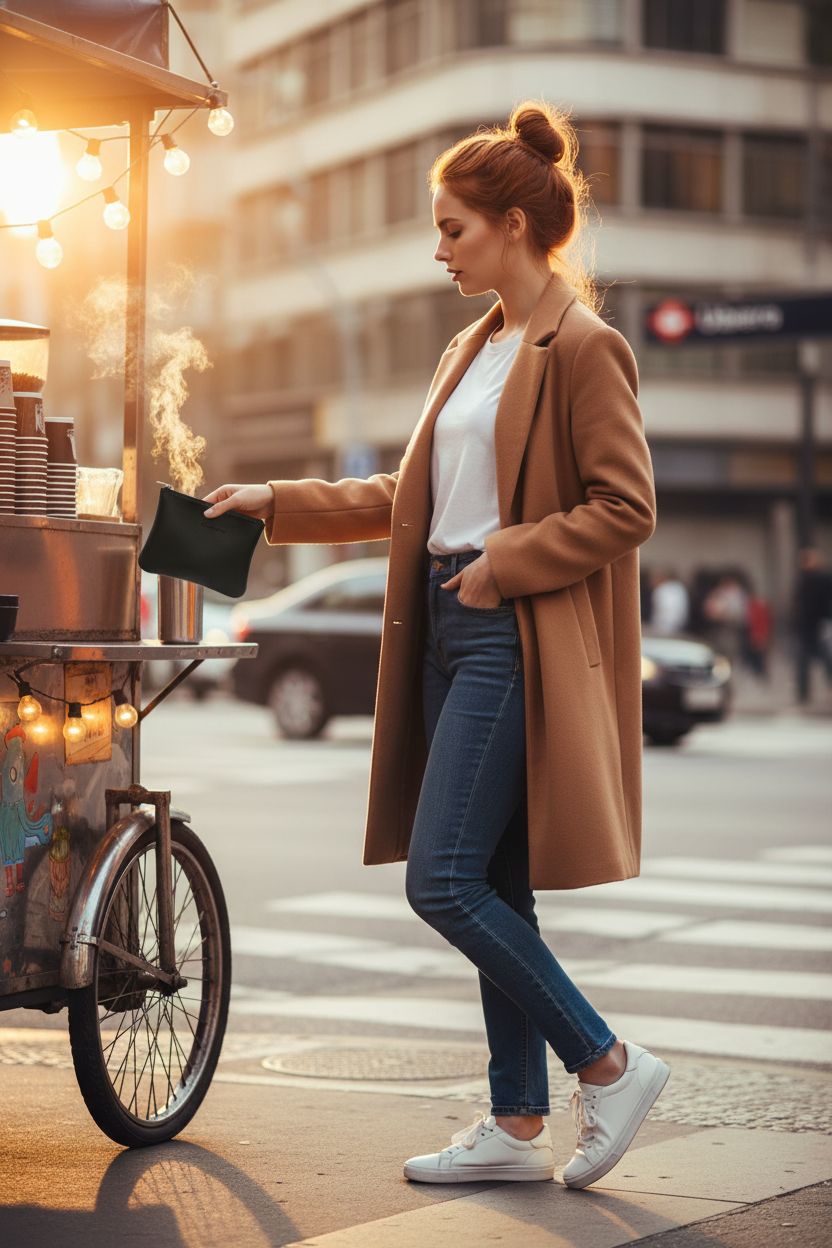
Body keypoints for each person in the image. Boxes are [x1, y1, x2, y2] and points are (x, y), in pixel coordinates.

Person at [202, 99, 669, 1190]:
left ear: (512, 223)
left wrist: (504, 560)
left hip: (512, 634)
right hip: (448, 633)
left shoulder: (582, 347)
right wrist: (272, 500)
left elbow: (626, 506)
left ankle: (606, 1062)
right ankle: (515, 1126)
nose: (439, 246)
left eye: (453, 225)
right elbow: (403, 498)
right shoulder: (475, 347)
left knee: (444, 880)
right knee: (494, 881)